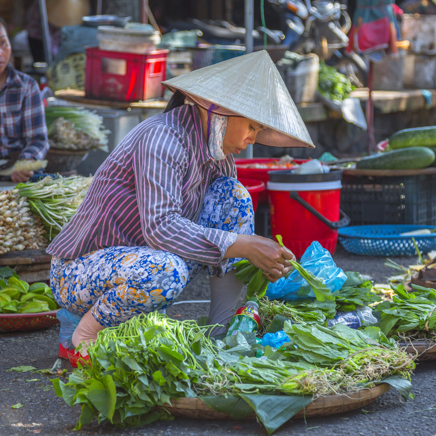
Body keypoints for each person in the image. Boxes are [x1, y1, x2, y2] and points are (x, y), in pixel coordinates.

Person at [47, 51, 314, 358]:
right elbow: (160, 228)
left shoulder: (219, 157)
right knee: (167, 271)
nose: (253, 138)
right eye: (251, 126)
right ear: (219, 111)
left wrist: (255, 256)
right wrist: (245, 246)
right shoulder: (162, 139)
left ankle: (220, 334)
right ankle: (85, 332)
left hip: (137, 263)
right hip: (79, 271)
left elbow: (224, 229)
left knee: (235, 197)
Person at [0, 18, 49, 183]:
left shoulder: (26, 86)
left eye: (3, 43)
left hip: (17, 182)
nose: (0, 53)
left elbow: (38, 139)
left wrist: (27, 161)